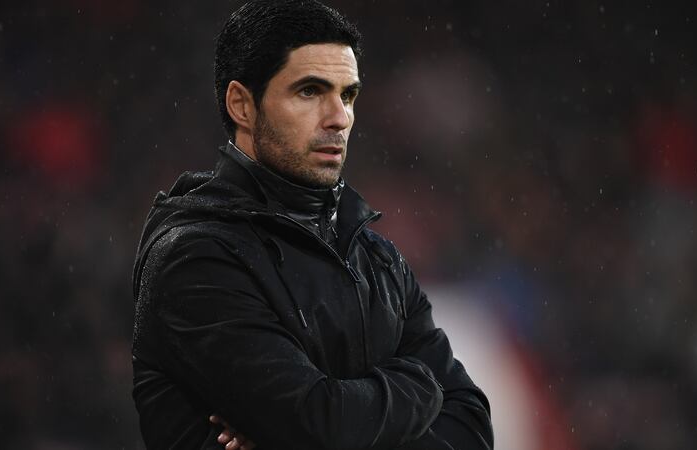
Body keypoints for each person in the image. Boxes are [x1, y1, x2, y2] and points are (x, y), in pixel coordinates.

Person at [131, 1, 493, 449]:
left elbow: (472, 428)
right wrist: (420, 386)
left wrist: (337, 420)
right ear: (242, 105)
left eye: (347, 94)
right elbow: (319, 426)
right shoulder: (194, 258)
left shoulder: (376, 258)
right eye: (309, 91)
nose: (339, 117)